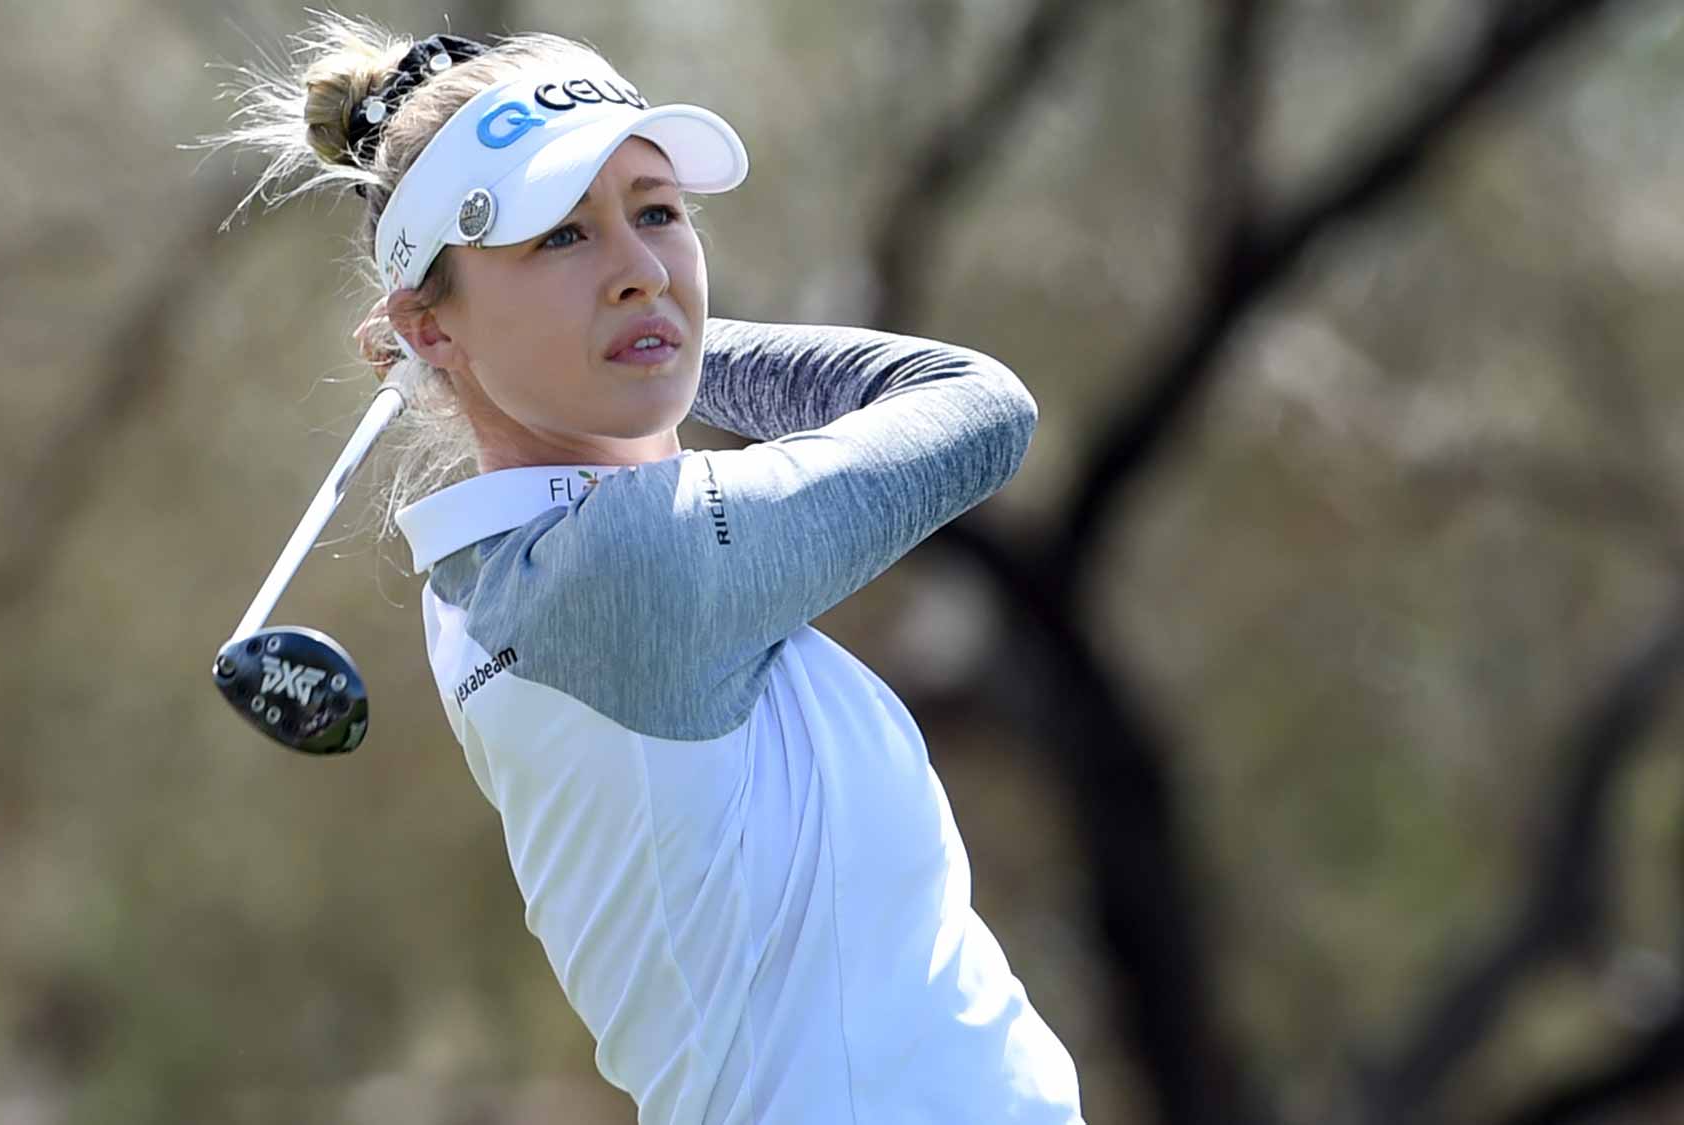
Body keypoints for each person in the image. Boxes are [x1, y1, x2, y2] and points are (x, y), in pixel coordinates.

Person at [204, 12, 1082, 1123]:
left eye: (657, 214)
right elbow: (978, 409)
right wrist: (667, 331)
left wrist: (637, 328)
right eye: (560, 237)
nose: (635, 267)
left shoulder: (496, 578)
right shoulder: (625, 568)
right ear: (427, 329)